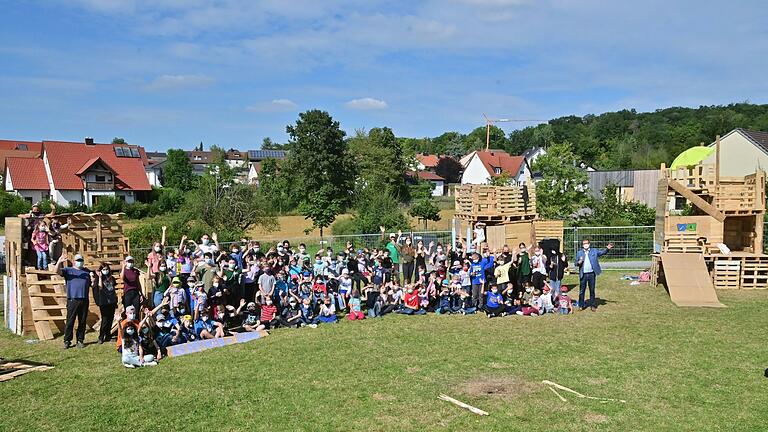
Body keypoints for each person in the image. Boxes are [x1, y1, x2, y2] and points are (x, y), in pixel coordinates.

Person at [55, 253, 91, 349]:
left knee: (82, 321)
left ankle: (80, 340)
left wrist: (95, 277)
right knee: (70, 321)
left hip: (84, 299)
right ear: (74, 261)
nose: (80, 262)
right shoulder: (68, 270)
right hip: (72, 299)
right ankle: (67, 341)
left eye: (81, 260)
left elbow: (93, 283)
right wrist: (59, 262)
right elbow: (56, 271)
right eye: (78, 260)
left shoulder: (87, 272)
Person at [575, 239, 613, 312]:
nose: (585, 245)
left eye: (587, 243)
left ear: (589, 244)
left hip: (592, 274)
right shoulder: (579, 253)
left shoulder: (594, 251)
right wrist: (578, 262)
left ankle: (592, 305)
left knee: (592, 290)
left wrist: (607, 249)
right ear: (582, 245)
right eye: (584, 244)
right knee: (581, 291)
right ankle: (581, 305)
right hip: (583, 274)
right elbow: (575, 263)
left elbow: (602, 252)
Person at [92, 263, 118, 344]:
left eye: (106, 269)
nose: (105, 271)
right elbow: (100, 287)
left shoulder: (111, 278)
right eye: (103, 269)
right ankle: (101, 336)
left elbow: (113, 288)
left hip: (112, 301)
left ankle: (108, 335)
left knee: (110, 319)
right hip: (104, 302)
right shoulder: (99, 279)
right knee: (105, 319)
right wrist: (99, 277)